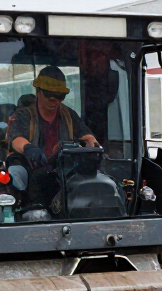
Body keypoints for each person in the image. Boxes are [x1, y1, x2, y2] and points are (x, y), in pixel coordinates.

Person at [6, 66, 99, 202]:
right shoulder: (23, 115)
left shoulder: (69, 114)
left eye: (60, 96)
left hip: (62, 170)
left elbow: (86, 134)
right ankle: (19, 210)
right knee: (16, 173)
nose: (55, 101)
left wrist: (94, 146)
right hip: (30, 168)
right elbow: (16, 138)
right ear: (39, 91)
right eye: (50, 95)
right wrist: (29, 149)